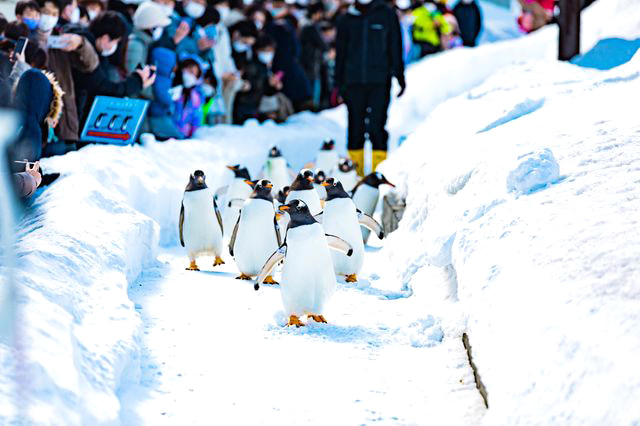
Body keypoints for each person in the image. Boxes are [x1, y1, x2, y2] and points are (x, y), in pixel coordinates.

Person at [335, 0, 405, 176]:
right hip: (353, 83)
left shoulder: (386, 14)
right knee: (355, 129)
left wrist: (400, 75)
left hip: (380, 82)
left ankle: (378, 175)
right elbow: (340, 54)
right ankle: (355, 176)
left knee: (376, 127)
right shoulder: (346, 19)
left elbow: (395, 46)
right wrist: (337, 84)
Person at [72, 11, 156, 127]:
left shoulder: (98, 54)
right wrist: (137, 81)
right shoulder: (86, 56)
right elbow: (104, 88)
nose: (115, 46)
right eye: (116, 41)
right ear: (105, 39)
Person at [300, 2, 327, 110]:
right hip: (311, 63)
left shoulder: (304, 25)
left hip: (308, 62)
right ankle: (312, 107)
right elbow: (322, 44)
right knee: (314, 86)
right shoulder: (310, 27)